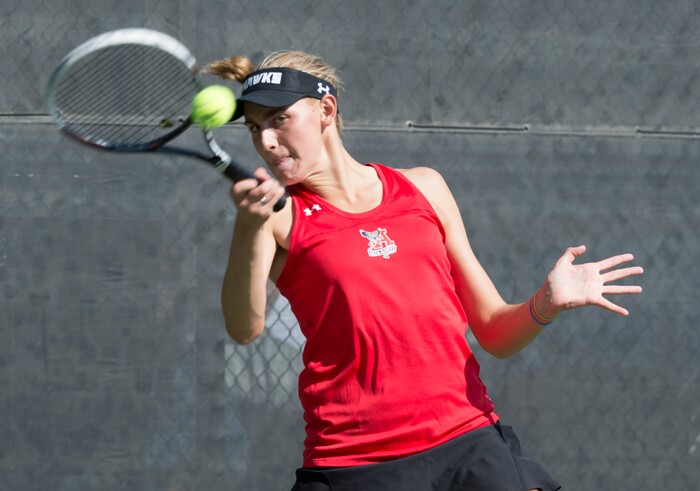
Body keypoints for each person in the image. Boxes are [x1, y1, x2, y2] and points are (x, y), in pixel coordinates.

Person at [206, 51, 643, 491]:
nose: (266, 141)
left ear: (326, 109)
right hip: (354, 462)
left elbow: (493, 330)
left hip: (467, 439)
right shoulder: (277, 217)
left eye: (279, 119)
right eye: (255, 128)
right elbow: (244, 327)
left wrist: (543, 305)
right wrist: (248, 226)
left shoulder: (424, 187)